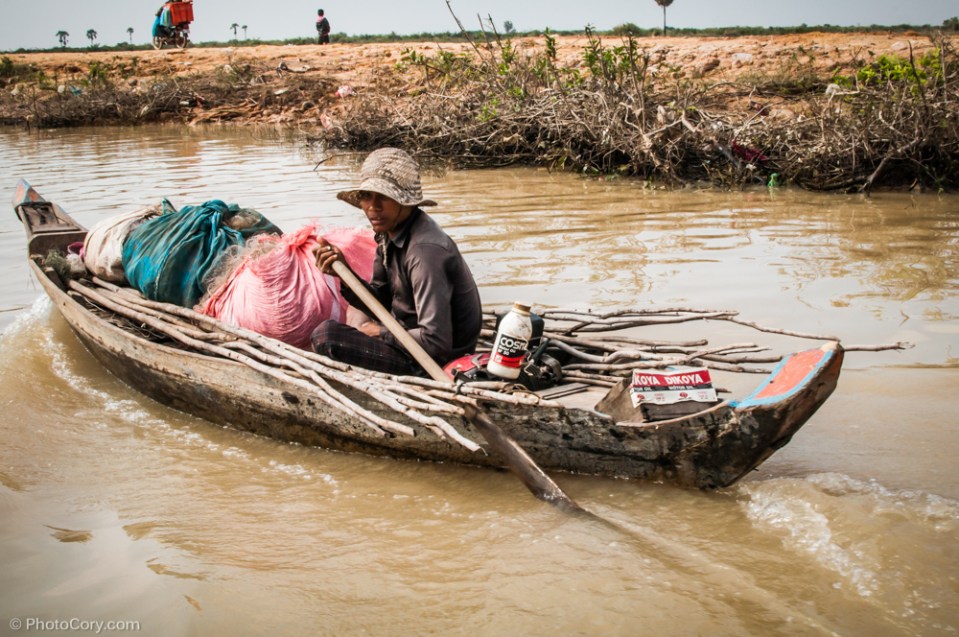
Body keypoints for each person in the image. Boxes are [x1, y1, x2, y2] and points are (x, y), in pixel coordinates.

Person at [312, 148, 482, 375]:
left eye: (384, 197)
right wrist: (345, 273)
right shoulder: (389, 233)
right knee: (354, 312)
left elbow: (436, 343)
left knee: (326, 336)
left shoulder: (424, 252)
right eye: (366, 196)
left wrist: (380, 333)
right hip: (405, 334)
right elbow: (380, 300)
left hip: (435, 362)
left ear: (406, 202)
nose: (373, 207)